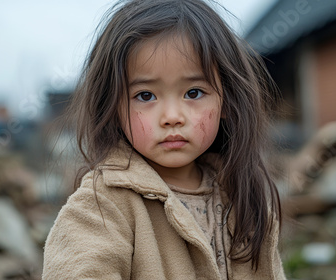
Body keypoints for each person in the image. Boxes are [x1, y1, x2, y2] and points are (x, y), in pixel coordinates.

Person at [43, 0, 286, 279]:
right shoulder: (102, 205)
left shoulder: (242, 193)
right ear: (112, 109)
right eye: (145, 95)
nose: (172, 117)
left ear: (227, 102)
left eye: (193, 92)